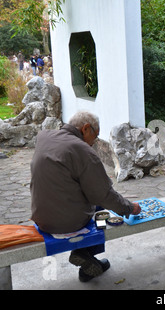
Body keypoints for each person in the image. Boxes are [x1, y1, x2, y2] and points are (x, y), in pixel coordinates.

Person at [30, 111, 141, 282]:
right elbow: (103, 195)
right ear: (86, 129)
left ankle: (86, 260)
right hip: (66, 222)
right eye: (95, 137)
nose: (94, 142)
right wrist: (129, 207)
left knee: (90, 193)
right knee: (101, 208)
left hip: (41, 216)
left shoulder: (45, 136)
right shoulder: (82, 149)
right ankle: (84, 254)